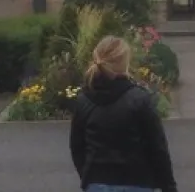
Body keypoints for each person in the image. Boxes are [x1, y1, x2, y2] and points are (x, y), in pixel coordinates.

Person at [69, 35, 178, 192]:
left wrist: (88, 176)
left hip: (97, 181)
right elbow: (157, 148)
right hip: (137, 181)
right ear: (125, 62)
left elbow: (77, 146)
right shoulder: (139, 99)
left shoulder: (84, 101)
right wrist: (169, 186)